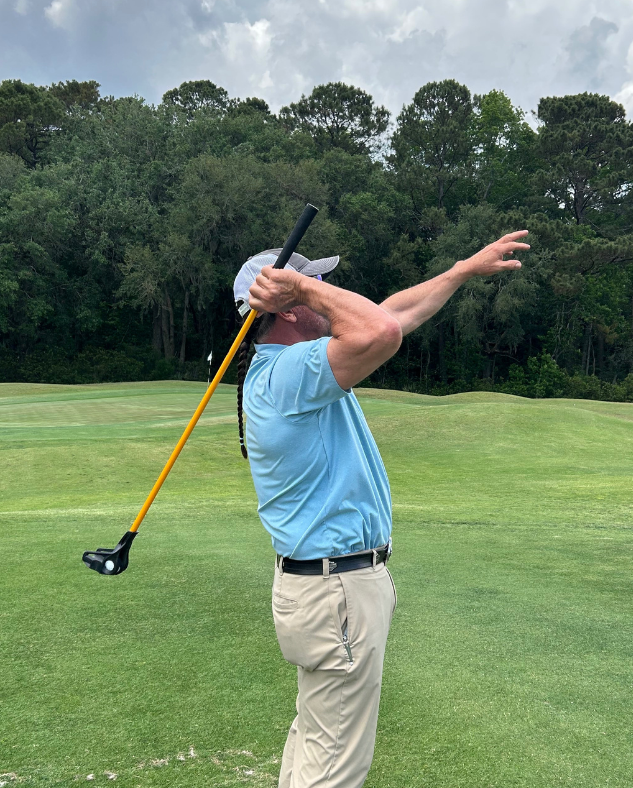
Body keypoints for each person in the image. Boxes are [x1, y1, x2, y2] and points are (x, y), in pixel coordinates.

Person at [232, 230, 530, 788]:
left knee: (317, 739)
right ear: (287, 308)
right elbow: (381, 329)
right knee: (334, 767)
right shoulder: (290, 377)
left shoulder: (292, 370)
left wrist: (462, 269)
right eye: (315, 282)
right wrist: (299, 285)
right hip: (336, 588)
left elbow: (391, 314)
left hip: (324, 588)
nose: (327, 288)